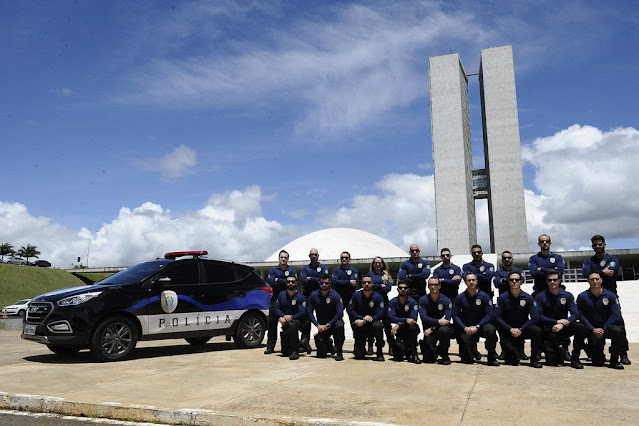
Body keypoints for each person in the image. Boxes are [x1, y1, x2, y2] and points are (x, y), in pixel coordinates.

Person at [582, 235, 630, 365]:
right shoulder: (589, 260)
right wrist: (602, 271)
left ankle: (623, 353)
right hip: (594, 297)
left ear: (604, 245)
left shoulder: (612, 259)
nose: (597, 247)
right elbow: (585, 273)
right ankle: (595, 350)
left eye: (599, 244)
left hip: (611, 297)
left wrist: (595, 272)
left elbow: (611, 271)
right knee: (593, 322)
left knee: (619, 324)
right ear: (592, 247)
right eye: (595, 245)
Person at [535, 271, 586, 368]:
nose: (552, 282)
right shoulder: (540, 296)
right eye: (550, 280)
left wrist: (562, 324)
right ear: (546, 281)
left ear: (559, 281)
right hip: (548, 328)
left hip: (563, 327)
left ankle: (575, 358)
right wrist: (556, 322)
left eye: (555, 279)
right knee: (552, 362)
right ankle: (553, 350)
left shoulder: (567, 295)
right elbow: (539, 316)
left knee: (580, 327)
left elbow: (575, 314)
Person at [576, 271, 626, 369]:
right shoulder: (582, 296)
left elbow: (615, 314)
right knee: (597, 362)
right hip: (591, 329)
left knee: (618, 331)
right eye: (592, 279)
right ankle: (588, 350)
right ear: (588, 281)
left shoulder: (611, 295)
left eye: (597, 279)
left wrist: (604, 327)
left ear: (601, 280)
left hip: (606, 327)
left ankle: (614, 360)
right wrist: (592, 329)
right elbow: (580, 315)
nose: (595, 281)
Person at [494, 271, 543, 368]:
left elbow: (535, 317)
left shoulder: (528, 298)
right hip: (508, 331)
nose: (514, 282)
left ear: (521, 282)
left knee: (537, 330)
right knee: (512, 361)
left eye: (517, 280)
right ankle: (512, 352)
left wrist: (521, 329)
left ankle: (534, 359)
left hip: (523, 329)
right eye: (511, 280)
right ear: (508, 282)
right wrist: (510, 329)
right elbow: (496, 317)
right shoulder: (502, 298)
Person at [453, 273, 499, 366]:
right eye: (469, 280)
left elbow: (490, 314)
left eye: (473, 280)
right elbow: (455, 316)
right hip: (467, 328)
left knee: (491, 330)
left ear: (477, 281)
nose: (471, 282)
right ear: (465, 282)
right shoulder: (460, 297)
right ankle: (471, 352)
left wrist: (478, 326)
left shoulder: (484, 296)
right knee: (467, 360)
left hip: (481, 326)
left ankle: (491, 357)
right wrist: (464, 328)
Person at [264, 250, 298, 354]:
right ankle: (270, 346)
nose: (283, 259)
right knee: (272, 324)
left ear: (288, 259)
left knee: (290, 323)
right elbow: (271, 283)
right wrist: (285, 281)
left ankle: (290, 346)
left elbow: (293, 283)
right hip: (276, 300)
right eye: (282, 257)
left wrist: (279, 280)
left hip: (288, 300)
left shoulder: (292, 270)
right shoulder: (273, 270)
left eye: (285, 257)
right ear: (279, 258)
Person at [307, 274, 345, 361]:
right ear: (319, 283)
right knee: (321, 355)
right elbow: (309, 312)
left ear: (330, 283)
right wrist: (317, 325)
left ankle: (339, 352)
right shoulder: (313, 295)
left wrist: (328, 325)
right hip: (322, 326)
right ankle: (329, 345)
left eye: (326, 283)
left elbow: (340, 313)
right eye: (322, 283)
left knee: (340, 325)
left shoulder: (335, 295)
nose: (324, 285)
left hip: (333, 323)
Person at [347, 276, 386, 361]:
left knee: (379, 326)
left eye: (369, 282)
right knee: (358, 356)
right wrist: (362, 319)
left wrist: (371, 318)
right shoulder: (356, 295)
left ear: (372, 284)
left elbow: (381, 313)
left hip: (373, 323)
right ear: (362, 284)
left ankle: (379, 352)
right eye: (364, 282)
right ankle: (361, 348)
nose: (367, 284)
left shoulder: (378, 296)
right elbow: (351, 310)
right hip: (361, 323)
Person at [300, 248, 329, 354]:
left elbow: (325, 280)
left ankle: (324, 342)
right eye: (312, 254)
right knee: (307, 320)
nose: (313, 256)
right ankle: (305, 344)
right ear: (309, 256)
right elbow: (302, 280)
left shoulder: (323, 267)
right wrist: (317, 279)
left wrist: (311, 278)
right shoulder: (305, 268)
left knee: (322, 318)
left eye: (315, 255)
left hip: (320, 296)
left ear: (318, 256)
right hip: (308, 297)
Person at [418, 277, 454, 365]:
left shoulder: (446, 301)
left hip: (440, 329)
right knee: (428, 360)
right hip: (428, 331)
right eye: (431, 285)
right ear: (428, 287)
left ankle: (444, 354)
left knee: (444, 330)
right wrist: (438, 322)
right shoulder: (423, 300)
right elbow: (424, 317)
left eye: (435, 285)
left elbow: (446, 320)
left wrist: (434, 327)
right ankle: (434, 350)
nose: (433, 287)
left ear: (439, 286)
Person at [273, 276, 307, 360]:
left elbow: (302, 312)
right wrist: (282, 316)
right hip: (285, 320)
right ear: (286, 283)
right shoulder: (281, 295)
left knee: (292, 325)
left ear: (296, 283)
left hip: (297, 320)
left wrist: (291, 317)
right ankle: (301, 344)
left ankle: (295, 352)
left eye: (292, 281)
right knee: (285, 353)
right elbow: (276, 308)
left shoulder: (300, 296)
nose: (290, 283)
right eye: (288, 282)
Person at [387, 280, 421, 363]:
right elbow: (391, 317)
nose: (403, 289)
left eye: (405, 288)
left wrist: (399, 323)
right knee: (397, 358)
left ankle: (414, 353)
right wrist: (404, 321)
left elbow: (413, 319)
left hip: (410, 329)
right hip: (400, 331)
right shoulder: (393, 302)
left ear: (408, 290)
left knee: (413, 328)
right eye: (400, 288)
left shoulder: (413, 302)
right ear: (397, 289)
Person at [367, 256, 394, 355]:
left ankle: (391, 345)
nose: (378, 264)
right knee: (371, 323)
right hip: (372, 303)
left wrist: (376, 287)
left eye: (379, 263)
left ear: (382, 264)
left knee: (387, 325)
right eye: (376, 263)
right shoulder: (370, 275)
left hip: (384, 303)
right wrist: (380, 286)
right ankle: (370, 345)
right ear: (373, 264)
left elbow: (388, 288)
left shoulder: (386, 275)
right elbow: (369, 286)